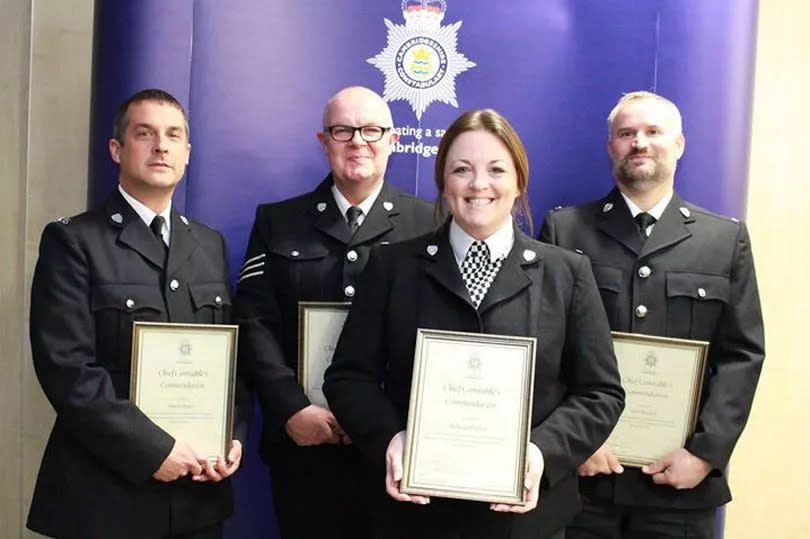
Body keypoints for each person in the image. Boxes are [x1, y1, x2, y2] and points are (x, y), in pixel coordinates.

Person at [323, 108, 625, 539]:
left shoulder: (566, 273)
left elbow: (601, 393)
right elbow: (349, 378)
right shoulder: (392, 267)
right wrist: (392, 438)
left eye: (496, 169)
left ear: (519, 181)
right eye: (461, 169)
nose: (479, 184)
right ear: (443, 184)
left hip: (526, 522)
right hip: (414, 517)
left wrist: (541, 453)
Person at [539, 91, 765, 539]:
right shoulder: (565, 230)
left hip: (678, 488)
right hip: (586, 482)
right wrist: (573, 443)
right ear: (611, 148)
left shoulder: (724, 240)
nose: (639, 142)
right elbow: (546, 347)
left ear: (678, 144)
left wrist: (706, 453)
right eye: (626, 133)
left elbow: (741, 355)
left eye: (653, 132)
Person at [27, 89, 247, 539]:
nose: (161, 146)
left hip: (196, 499)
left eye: (173, 135)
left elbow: (229, 362)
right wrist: (152, 451)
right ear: (117, 149)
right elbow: (67, 370)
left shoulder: (209, 245)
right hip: (104, 498)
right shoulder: (74, 241)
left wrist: (230, 434)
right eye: (145, 134)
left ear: (187, 153)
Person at [234, 85, 434, 539]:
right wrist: (290, 409)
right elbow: (255, 322)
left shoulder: (430, 223)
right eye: (342, 130)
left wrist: (388, 427)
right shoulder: (277, 221)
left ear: (393, 140)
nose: (358, 141)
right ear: (324, 142)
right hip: (306, 447)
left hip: (395, 447)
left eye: (371, 130)